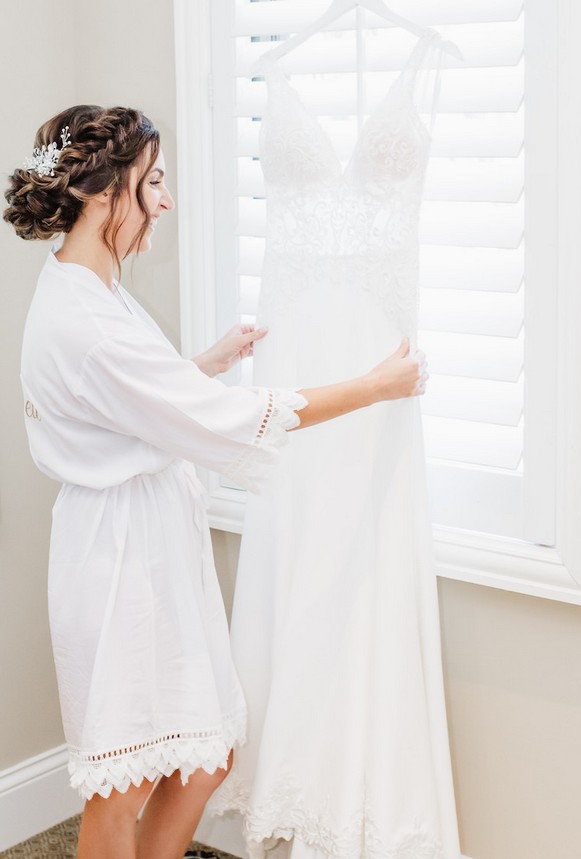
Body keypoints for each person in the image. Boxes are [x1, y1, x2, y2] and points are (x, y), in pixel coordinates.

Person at [3, 104, 428, 859]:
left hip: (148, 544)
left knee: (204, 756)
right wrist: (371, 386)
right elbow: (222, 419)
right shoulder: (86, 319)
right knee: (120, 785)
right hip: (119, 564)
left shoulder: (86, 281)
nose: (164, 199)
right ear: (105, 193)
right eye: (153, 181)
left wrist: (196, 366)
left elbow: (123, 402)